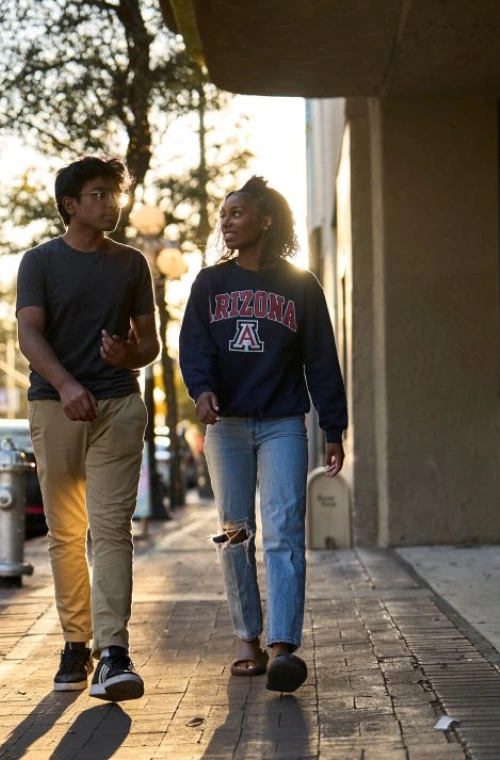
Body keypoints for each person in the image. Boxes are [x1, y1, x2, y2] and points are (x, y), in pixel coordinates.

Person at [179, 176, 347, 693]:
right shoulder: (209, 283)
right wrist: (202, 390)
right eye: (223, 214)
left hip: (282, 424)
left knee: (283, 530)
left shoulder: (301, 285)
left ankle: (281, 648)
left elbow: (321, 360)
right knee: (234, 534)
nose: (226, 222)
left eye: (237, 213)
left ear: (265, 220)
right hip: (225, 427)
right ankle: (246, 638)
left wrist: (333, 428)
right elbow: (194, 347)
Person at [16, 156, 160, 701]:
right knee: (65, 535)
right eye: (99, 194)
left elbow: (151, 346)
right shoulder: (40, 263)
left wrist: (131, 353)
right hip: (56, 407)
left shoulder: (131, 264)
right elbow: (29, 335)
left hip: (118, 409)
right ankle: (77, 643)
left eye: (114, 195)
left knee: (111, 531)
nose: (111, 204)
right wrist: (68, 384)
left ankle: (114, 652)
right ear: (70, 205)